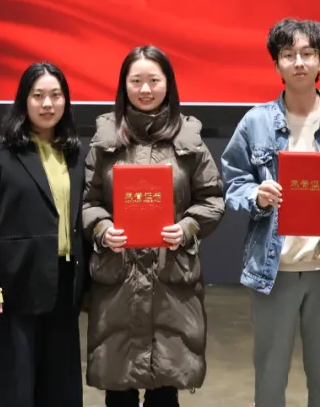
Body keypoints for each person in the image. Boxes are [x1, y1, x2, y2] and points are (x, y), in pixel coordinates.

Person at [220, 18, 320, 407]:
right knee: (270, 378)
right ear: (276, 63)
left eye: (308, 53)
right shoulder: (256, 121)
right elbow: (232, 183)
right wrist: (256, 195)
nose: (299, 62)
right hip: (273, 273)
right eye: (288, 54)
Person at [82, 45, 225, 407]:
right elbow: (89, 203)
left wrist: (188, 227)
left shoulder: (189, 139)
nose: (145, 90)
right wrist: (102, 229)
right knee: (119, 390)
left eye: (154, 80)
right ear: (124, 86)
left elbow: (212, 199)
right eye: (136, 81)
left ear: (168, 84)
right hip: (119, 281)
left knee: (165, 390)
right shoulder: (105, 139)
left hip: (170, 280)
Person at [0, 62, 87, 407]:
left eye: (56, 95)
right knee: (14, 385)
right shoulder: (0, 153)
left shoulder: (75, 153)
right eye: (38, 96)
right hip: (14, 283)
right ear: (24, 101)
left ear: (66, 101)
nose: (47, 104)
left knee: (61, 385)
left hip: (63, 282)